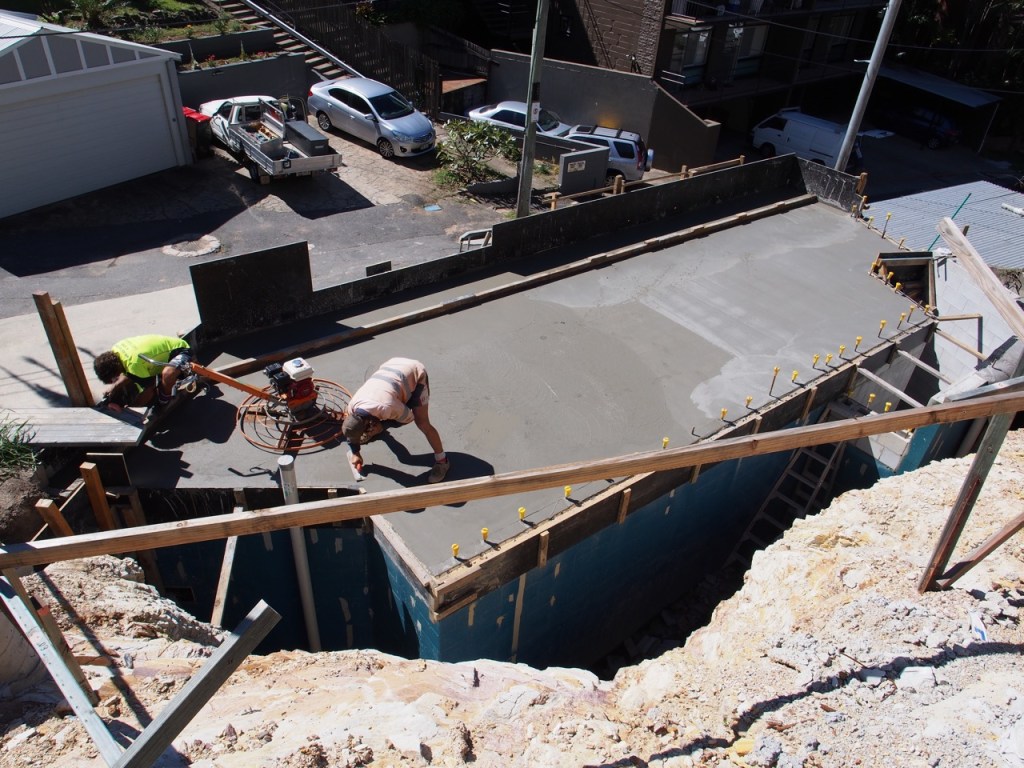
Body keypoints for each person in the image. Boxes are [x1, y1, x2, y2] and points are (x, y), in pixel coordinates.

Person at [342, 357, 449, 483]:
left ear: (367, 423)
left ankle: (443, 461)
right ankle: (378, 428)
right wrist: (355, 453)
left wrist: (383, 426)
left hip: (414, 372)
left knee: (422, 423)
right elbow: (351, 429)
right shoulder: (351, 407)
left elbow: (408, 418)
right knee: (392, 406)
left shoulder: (387, 407)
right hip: (392, 366)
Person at [93, 334, 193, 411]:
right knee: (136, 377)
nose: (116, 378)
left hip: (182, 351)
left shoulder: (134, 364)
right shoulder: (116, 349)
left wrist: (133, 409)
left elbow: (148, 390)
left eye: (114, 377)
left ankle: (164, 401)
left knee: (167, 375)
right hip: (154, 356)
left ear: (115, 370)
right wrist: (113, 388)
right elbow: (127, 374)